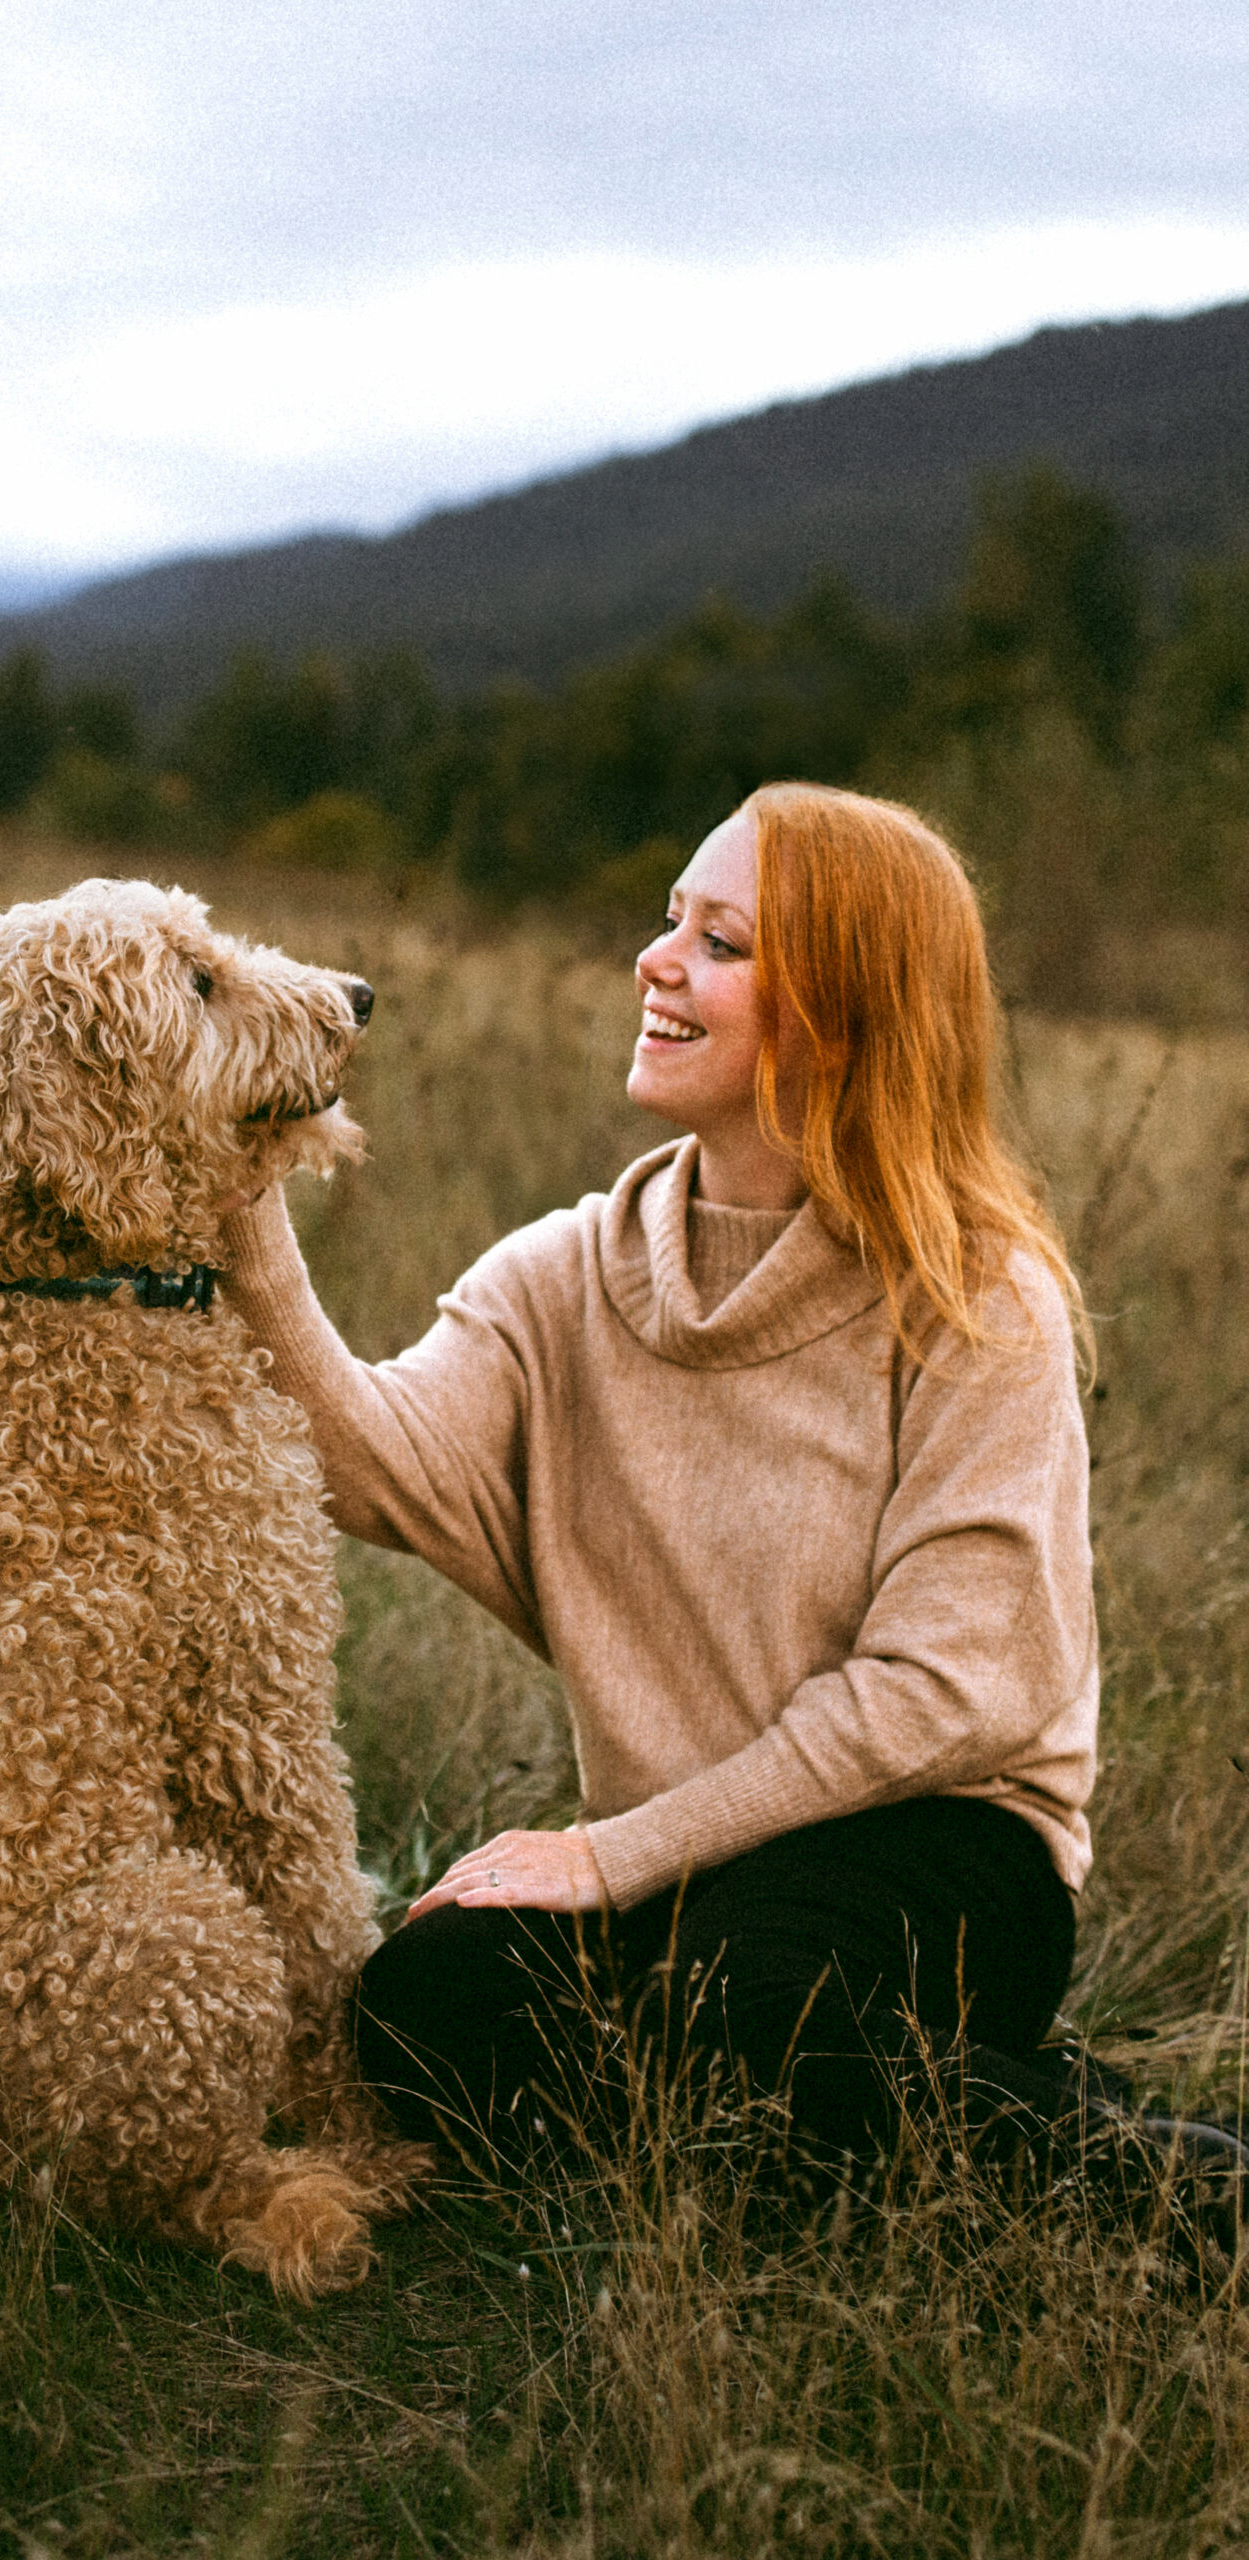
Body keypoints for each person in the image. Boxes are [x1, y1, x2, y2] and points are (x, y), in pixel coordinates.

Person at [218, 783, 1242, 2222]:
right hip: (702, 1872)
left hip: (943, 1846)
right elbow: (373, 1462)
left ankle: (1182, 2195)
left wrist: (603, 1858)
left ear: (845, 1009)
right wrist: (242, 1193)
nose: (656, 959)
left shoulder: (971, 1299)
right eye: (669, 923)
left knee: (740, 2000)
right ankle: (870, 2120)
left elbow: (937, 1696)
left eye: (723, 942)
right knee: (419, 2013)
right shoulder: (566, 1275)